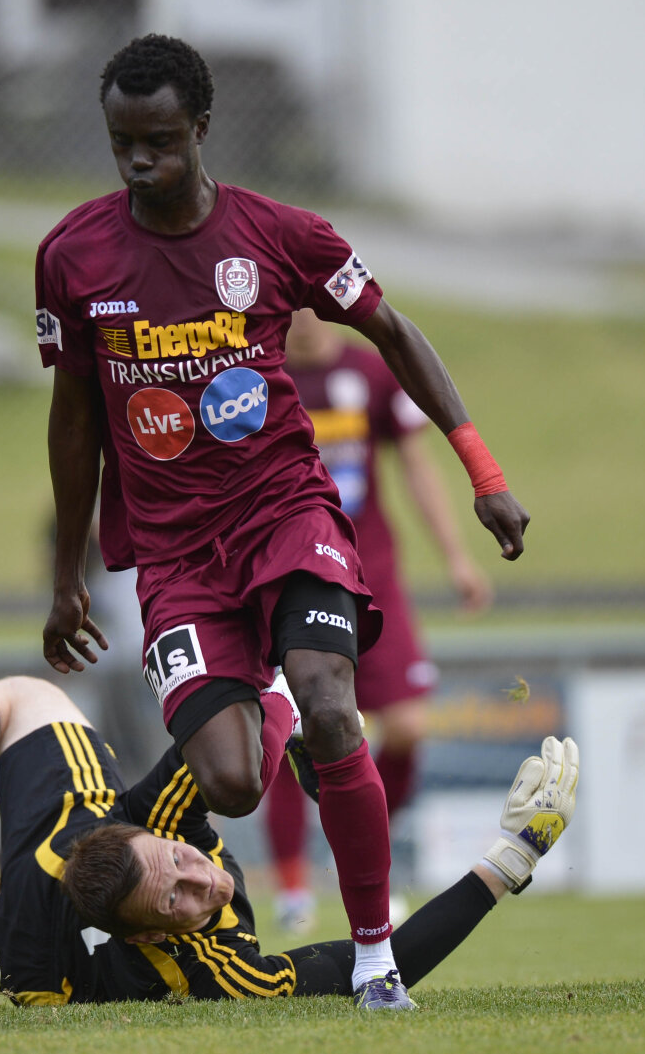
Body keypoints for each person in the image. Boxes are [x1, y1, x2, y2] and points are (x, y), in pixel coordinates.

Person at [35, 32, 529, 998]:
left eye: (162, 141)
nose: (141, 161)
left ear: (202, 129)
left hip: (283, 510)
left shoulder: (280, 235)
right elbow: (74, 420)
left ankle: (378, 957)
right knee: (227, 781)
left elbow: (394, 330)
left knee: (335, 702)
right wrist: (67, 577)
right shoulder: (72, 256)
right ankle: (275, 711)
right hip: (174, 556)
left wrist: (482, 467)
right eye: (122, 143)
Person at [0, 675, 578, 1010]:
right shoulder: (218, 972)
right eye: (179, 898)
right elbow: (371, 965)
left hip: (65, 849)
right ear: (145, 935)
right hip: (43, 898)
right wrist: (506, 861)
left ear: (157, 828)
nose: (201, 888)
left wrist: (286, 714)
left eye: (181, 866)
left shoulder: (159, 824)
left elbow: (232, 719)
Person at [263, 308, 493, 931]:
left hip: (372, 574)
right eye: (289, 307)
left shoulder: (370, 373)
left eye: (313, 305)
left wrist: (456, 556)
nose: (302, 320)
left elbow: (417, 465)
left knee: (410, 726)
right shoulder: (259, 375)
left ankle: (366, 852)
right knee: (286, 729)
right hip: (292, 572)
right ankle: (292, 891)